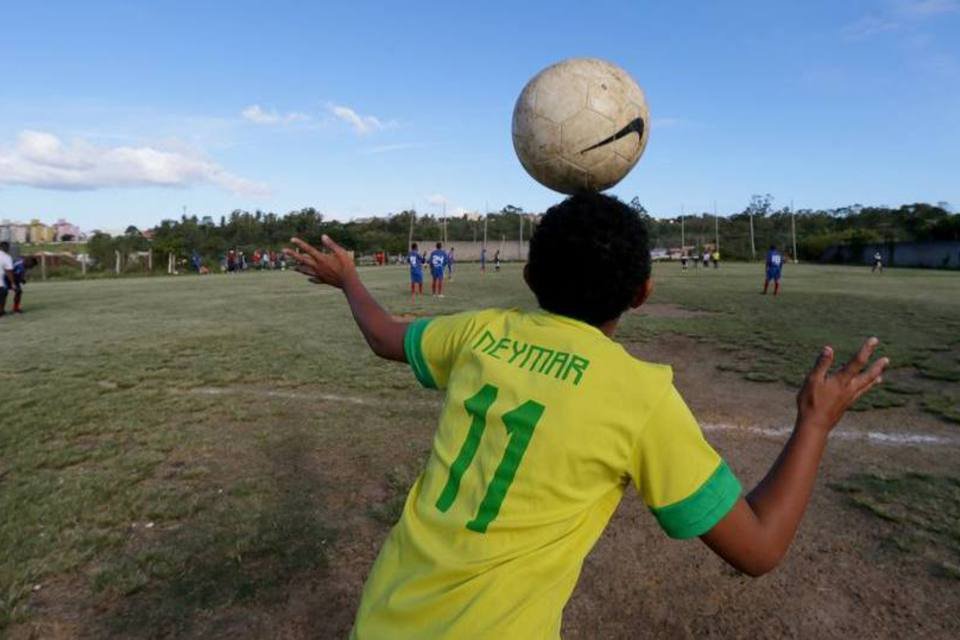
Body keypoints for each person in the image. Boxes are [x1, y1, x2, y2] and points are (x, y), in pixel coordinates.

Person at [283, 193, 888, 638]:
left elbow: (386, 337)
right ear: (642, 292)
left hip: (384, 618)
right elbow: (758, 549)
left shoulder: (481, 331)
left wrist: (349, 282)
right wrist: (813, 423)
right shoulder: (638, 395)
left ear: (527, 276)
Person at [0, 241, 16, 318]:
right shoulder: (6, 257)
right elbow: (9, 271)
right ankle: (1, 311)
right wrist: (12, 283)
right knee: (3, 294)